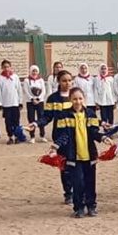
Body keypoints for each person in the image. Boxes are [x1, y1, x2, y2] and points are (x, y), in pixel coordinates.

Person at [54, 87, 107, 218]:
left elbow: (94, 132)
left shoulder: (91, 114)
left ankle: (91, 206)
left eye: (80, 98)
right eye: (74, 99)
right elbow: (63, 135)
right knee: (78, 183)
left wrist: (103, 137)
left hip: (89, 155)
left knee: (90, 182)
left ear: (84, 99)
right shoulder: (64, 115)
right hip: (73, 156)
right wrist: (56, 146)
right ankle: (79, 207)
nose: (77, 101)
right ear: (70, 100)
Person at [43, 68, 75, 205]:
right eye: (64, 81)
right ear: (58, 82)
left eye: (69, 80)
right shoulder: (53, 98)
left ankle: (79, 191)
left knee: (78, 164)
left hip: (77, 135)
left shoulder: (76, 95)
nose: (67, 83)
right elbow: (47, 117)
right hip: (61, 136)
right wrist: (36, 123)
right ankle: (68, 193)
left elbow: (86, 114)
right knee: (65, 165)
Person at [0, 59, 23, 145]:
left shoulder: (15, 77)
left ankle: (17, 136)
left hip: (15, 103)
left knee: (16, 121)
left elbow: (19, 90)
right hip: (6, 104)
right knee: (8, 122)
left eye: (8, 67)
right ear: (2, 68)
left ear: (10, 67)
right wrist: (0, 103)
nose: (6, 68)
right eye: (4, 67)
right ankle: (10, 136)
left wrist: (20, 101)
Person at [23, 65, 48, 142]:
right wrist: (32, 99)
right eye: (33, 71)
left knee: (41, 118)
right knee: (31, 118)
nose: (34, 72)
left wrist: (38, 98)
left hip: (40, 102)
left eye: (36, 71)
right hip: (30, 102)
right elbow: (26, 91)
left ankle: (42, 135)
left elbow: (44, 91)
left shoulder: (41, 80)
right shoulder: (26, 80)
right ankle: (32, 136)